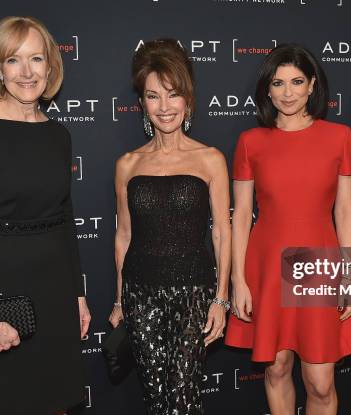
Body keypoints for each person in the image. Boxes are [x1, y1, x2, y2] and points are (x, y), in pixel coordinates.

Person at [224, 44, 351, 415]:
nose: (287, 92)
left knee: (320, 384)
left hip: (319, 262)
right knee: (276, 369)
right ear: (267, 90)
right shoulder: (250, 142)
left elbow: (345, 211)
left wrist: (349, 273)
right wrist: (238, 280)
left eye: (297, 82)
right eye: (278, 82)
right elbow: (241, 214)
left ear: (311, 87)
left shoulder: (339, 137)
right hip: (267, 263)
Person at [0, 16, 90, 414]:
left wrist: (77, 295)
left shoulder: (58, 134)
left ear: (51, 66)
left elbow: (66, 218)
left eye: (36, 59)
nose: (27, 72)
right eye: (14, 60)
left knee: (59, 401)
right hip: (6, 293)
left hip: (56, 289)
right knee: (12, 403)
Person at [108, 39, 231, 414]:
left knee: (182, 397)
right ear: (142, 103)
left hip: (193, 293)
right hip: (141, 292)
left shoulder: (209, 159)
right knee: (156, 398)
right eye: (153, 96)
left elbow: (222, 231)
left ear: (188, 99)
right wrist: (118, 300)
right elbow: (124, 235)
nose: (164, 107)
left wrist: (220, 298)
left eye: (173, 95)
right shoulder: (127, 164)